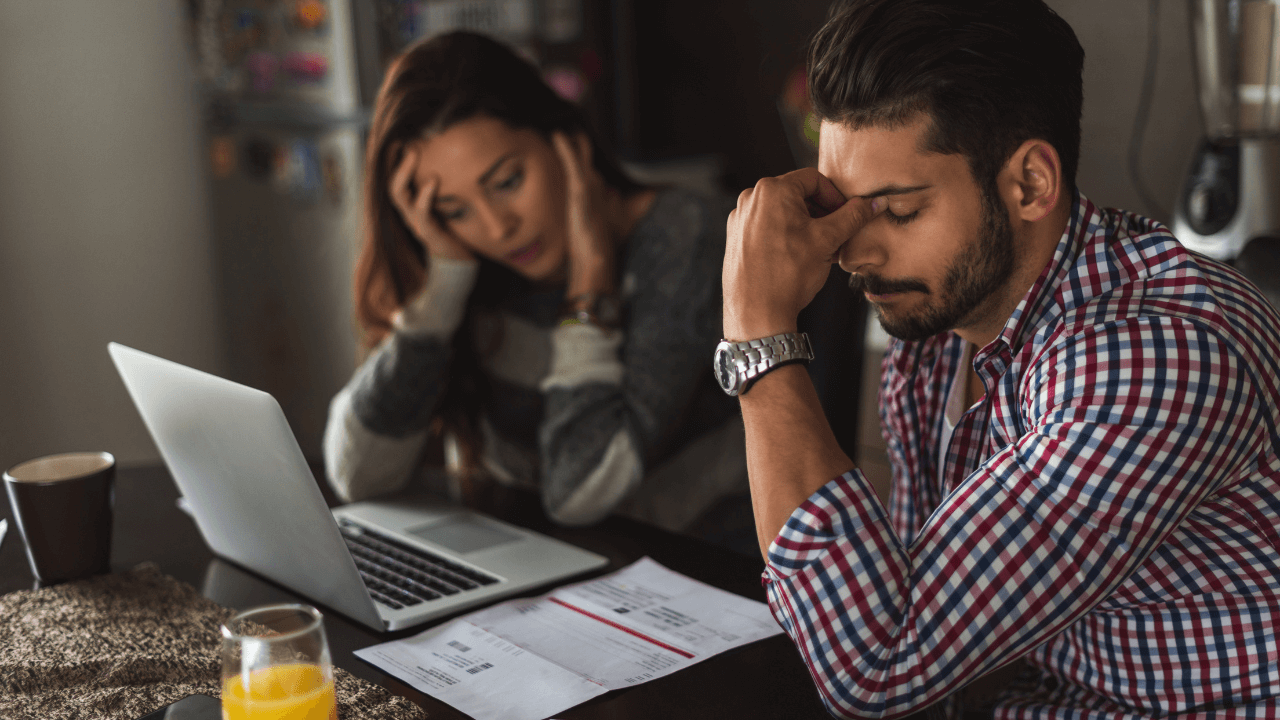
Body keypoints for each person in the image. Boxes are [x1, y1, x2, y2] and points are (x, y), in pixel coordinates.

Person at [719, 0, 1280, 717]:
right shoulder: (932, 332)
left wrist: (759, 337)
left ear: (1030, 185)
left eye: (895, 210)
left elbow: (879, 662)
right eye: (844, 209)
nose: (854, 254)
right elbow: (914, 623)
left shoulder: (1155, 357)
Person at [323, 32, 743, 534]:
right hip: (531, 564)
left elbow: (579, 493)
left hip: (686, 572)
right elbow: (357, 476)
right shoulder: (474, 264)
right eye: (453, 210)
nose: (497, 229)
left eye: (506, 182)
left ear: (565, 139)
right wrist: (443, 289)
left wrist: (590, 287)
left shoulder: (682, 237)